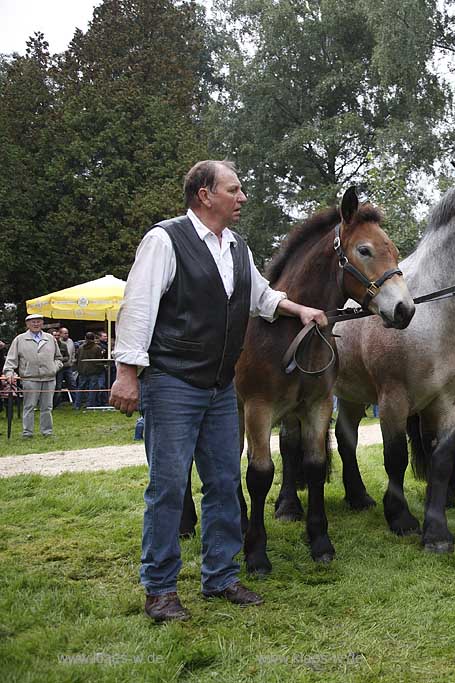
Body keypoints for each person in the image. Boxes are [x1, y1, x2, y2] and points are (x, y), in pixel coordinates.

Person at [109, 160, 328, 623]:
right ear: (205, 195)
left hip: (219, 387)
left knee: (226, 483)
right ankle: (161, 589)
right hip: (171, 383)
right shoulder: (165, 239)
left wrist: (300, 308)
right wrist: (127, 374)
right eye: (235, 189)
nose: (242, 198)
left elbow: (260, 297)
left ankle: (221, 576)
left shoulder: (237, 247)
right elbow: (139, 305)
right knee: (168, 487)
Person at [3, 314, 63, 437]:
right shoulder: (20, 339)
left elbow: (59, 358)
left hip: (49, 378)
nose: (36, 324)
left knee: (47, 407)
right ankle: (27, 433)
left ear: (42, 323)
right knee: (29, 406)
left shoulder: (50, 338)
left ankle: (47, 432)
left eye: (38, 322)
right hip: (30, 378)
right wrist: (9, 372)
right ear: (27, 324)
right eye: (33, 322)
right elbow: (11, 359)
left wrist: (54, 368)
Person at [75, 332, 106, 409]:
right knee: (92, 389)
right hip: (93, 371)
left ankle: (77, 405)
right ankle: (90, 404)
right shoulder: (97, 348)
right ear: (94, 338)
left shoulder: (81, 347)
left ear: (85, 338)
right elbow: (99, 360)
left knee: (80, 388)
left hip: (82, 370)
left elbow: (77, 357)